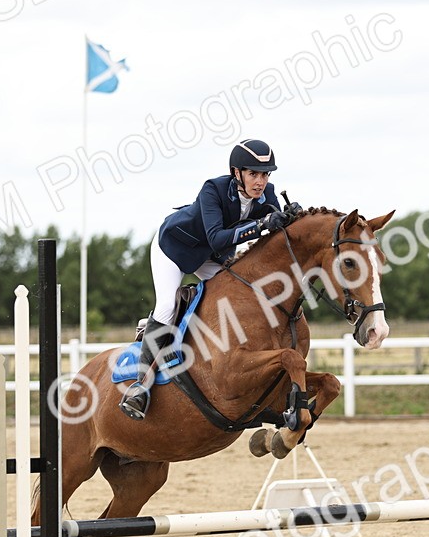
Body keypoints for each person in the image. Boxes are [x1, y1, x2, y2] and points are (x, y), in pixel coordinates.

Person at [119, 139, 301, 420]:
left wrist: (293, 218)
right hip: (175, 248)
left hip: (211, 257)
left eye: (265, 174)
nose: (260, 181)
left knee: (238, 296)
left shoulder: (269, 194)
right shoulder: (213, 190)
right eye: (253, 173)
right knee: (167, 305)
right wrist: (262, 225)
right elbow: (216, 237)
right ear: (237, 173)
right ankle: (140, 386)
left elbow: (277, 227)